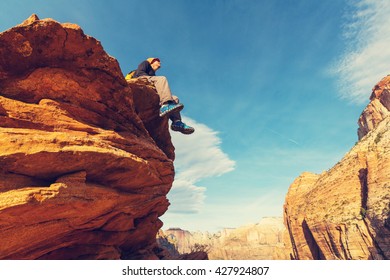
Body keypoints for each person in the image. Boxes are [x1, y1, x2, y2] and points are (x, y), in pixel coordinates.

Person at [133, 58, 194, 134]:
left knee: (175, 98)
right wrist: (151, 81)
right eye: (157, 61)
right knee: (162, 79)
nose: (160, 63)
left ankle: (177, 122)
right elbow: (139, 72)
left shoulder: (153, 75)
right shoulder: (146, 63)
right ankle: (165, 105)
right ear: (151, 62)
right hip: (140, 79)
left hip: (150, 83)